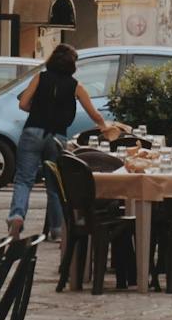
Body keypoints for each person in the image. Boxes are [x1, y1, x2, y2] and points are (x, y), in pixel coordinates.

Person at [7, 44, 119, 239]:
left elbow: (23, 103)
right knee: (55, 186)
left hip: (33, 131)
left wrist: (36, 111)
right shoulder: (76, 86)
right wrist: (105, 126)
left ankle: (17, 215)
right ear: (72, 64)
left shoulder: (39, 78)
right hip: (57, 138)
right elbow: (94, 114)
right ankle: (57, 229)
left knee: (24, 179)